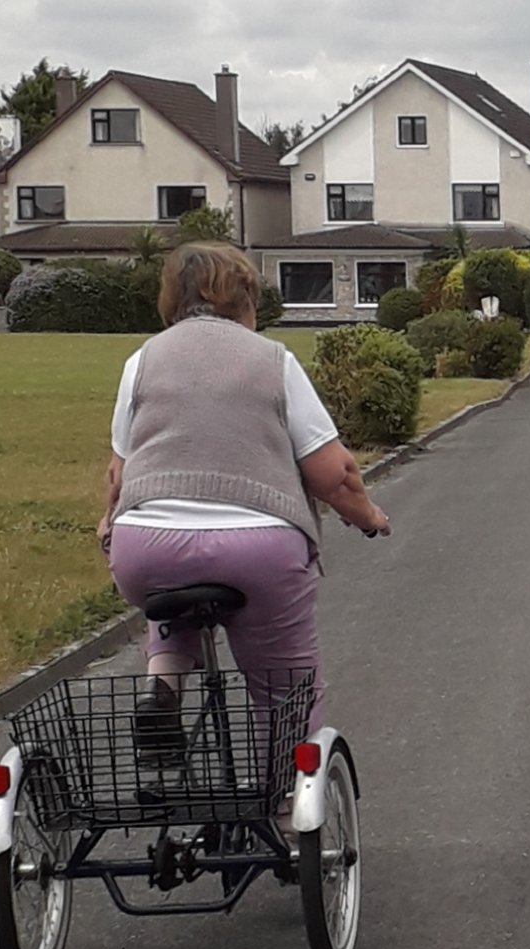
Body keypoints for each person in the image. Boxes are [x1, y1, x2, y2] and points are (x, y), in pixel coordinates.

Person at [97, 241, 390, 796]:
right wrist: (370, 516)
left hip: (145, 541)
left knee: (171, 593)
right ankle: (287, 807)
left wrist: (110, 523)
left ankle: (162, 687)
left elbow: (119, 472)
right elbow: (334, 475)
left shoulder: (142, 361)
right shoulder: (272, 360)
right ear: (244, 299)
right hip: (257, 545)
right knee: (286, 684)